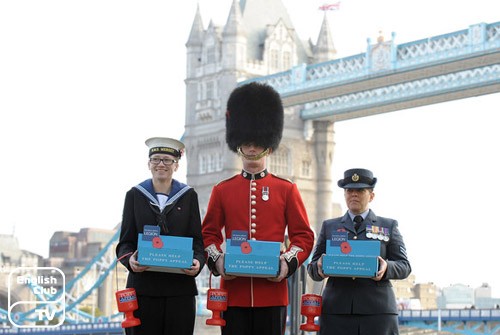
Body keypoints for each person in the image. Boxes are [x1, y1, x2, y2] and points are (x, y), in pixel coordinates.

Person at [202, 82, 315, 335]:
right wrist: (218, 261)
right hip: (234, 293)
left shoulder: (286, 189)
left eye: (257, 142)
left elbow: (303, 236)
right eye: (246, 142)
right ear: (238, 144)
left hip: (272, 294)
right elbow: (208, 234)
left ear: (269, 145)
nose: (251, 148)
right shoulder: (223, 190)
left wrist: (286, 264)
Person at [116, 137, 205, 335]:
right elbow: (124, 243)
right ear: (148, 164)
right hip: (143, 290)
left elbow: (198, 242)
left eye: (167, 160)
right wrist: (130, 260)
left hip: (180, 291)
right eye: (156, 159)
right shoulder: (134, 195)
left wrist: (198, 262)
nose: (161, 164)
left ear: (176, 165)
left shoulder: (189, 196)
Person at [307, 168, 411, 335]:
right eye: (349, 190)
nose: (353, 194)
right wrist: (319, 266)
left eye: (360, 190)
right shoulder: (329, 226)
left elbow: (404, 266)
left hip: (377, 312)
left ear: (371, 196)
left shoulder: (388, 226)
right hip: (336, 312)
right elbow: (312, 267)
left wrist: (386, 268)